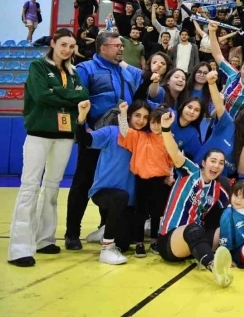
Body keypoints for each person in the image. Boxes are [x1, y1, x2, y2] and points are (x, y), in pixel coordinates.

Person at [7, 29, 89, 267]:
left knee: (52, 187)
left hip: (64, 136)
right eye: (63, 44)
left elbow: (84, 94)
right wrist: (70, 96)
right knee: (30, 187)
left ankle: (45, 239)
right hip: (38, 134)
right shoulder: (38, 66)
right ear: (53, 43)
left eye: (71, 46)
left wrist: (62, 93)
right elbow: (42, 96)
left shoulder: (73, 72)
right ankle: (19, 249)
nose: (67, 50)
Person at [64, 31, 145, 251]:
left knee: (113, 184)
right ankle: (72, 233)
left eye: (121, 45)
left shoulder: (125, 71)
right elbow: (76, 102)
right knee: (83, 182)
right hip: (97, 135)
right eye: (116, 45)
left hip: (121, 138)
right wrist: (85, 129)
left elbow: (143, 91)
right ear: (102, 48)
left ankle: (104, 227)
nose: (121, 48)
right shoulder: (86, 69)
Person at [158, 111, 233, 287]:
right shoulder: (190, 171)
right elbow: (174, 152)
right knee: (192, 229)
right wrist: (165, 129)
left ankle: (215, 256)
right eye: (213, 161)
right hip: (170, 241)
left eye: (221, 163)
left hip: (195, 242)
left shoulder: (218, 190)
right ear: (204, 163)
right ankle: (213, 266)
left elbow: (232, 214)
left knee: (223, 227)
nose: (216, 166)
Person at [117, 103, 172, 257]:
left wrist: (170, 175)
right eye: (153, 122)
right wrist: (123, 113)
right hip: (142, 181)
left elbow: (171, 160)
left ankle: (154, 240)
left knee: (156, 214)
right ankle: (139, 243)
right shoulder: (140, 136)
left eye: (159, 123)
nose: (156, 126)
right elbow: (124, 131)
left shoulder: (168, 139)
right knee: (140, 213)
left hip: (160, 182)